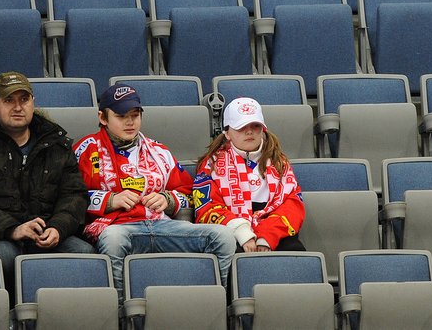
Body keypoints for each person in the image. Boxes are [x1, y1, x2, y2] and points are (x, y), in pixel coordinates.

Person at [73, 83, 235, 295]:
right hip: (117, 228)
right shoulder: (84, 150)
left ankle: (215, 307)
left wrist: (168, 199)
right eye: (121, 116)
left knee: (223, 237)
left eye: (135, 114)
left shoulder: (158, 151)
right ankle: (121, 313)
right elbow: (69, 199)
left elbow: (191, 195)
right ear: (103, 118)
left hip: (162, 225)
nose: (130, 122)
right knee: (114, 240)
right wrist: (110, 200)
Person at [0, 71, 94, 293]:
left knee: (85, 254)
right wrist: (12, 228)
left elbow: (74, 195)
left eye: (24, 100)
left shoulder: (57, 145)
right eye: (9, 100)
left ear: (33, 104)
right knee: (6, 257)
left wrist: (58, 227)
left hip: (46, 232)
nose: (18, 107)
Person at [192, 97, 306, 252]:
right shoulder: (210, 165)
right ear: (227, 133)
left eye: (256, 125)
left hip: (275, 232)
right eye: (241, 127)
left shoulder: (280, 163)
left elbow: (293, 205)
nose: (249, 131)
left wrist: (266, 237)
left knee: (294, 252)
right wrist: (242, 233)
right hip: (230, 233)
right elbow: (206, 208)